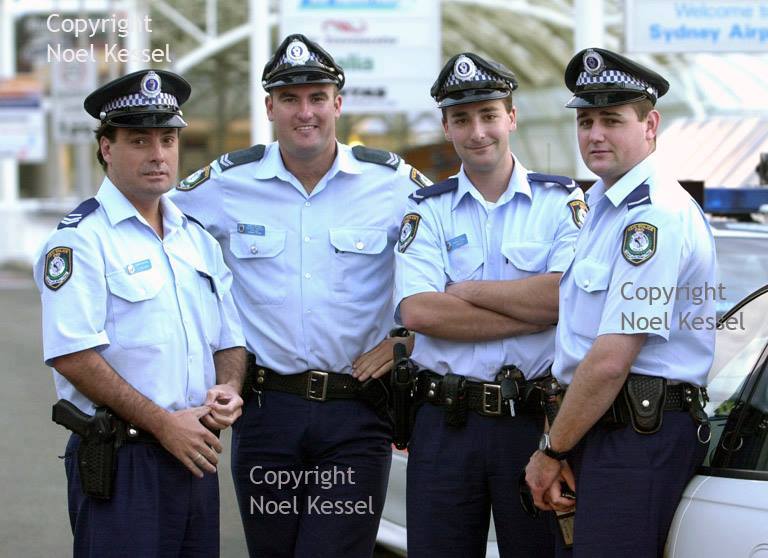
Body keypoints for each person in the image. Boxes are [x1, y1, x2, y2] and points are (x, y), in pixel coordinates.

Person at [169, 34, 425, 557]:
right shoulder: (226, 184)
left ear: (338, 104)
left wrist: (410, 338)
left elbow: (452, 261)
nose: (304, 112)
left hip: (356, 416)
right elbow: (157, 233)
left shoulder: (392, 184)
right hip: (267, 416)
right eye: (289, 99)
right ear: (270, 107)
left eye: (316, 97)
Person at [34, 70, 247, 557]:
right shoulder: (81, 240)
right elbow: (73, 355)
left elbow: (229, 339)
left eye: (167, 139)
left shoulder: (196, 238)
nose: (158, 154)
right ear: (106, 148)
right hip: (123, 459)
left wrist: (230, 388)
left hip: (195, 452)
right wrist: (162, 424)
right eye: (139, 141)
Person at [524, 48, 716, 557]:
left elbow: (610, 360)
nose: (595, 134)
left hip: (636, 434)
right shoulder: (603, 209)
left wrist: (550, 451)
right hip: (596, 428)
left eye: (612, 120)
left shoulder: (654, 216)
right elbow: (576, 344)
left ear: (650, 125)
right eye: (585, 121)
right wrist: (561, 438)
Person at [394, 52, 585, 558]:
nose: (477, 132)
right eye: (461, 119)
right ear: (447, 127)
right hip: (445, 422)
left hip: (534, 424)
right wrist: (532, 311)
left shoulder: (560, 202)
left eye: (489, 115)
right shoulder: (427, 210)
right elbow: (419, 313)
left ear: (512, 117)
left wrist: (466, 291)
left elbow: (565, 298)